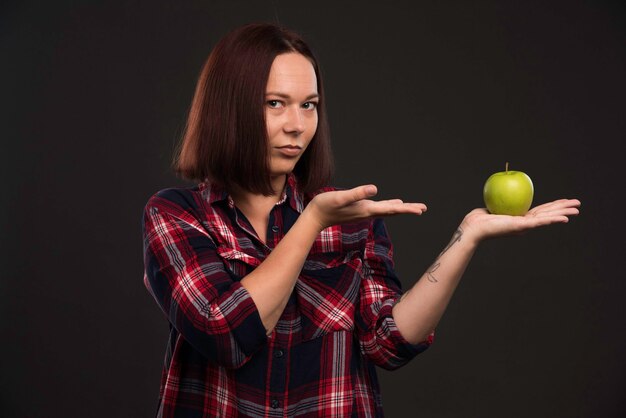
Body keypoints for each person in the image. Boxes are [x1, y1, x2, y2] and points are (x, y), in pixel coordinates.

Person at [141, 23, 580, 417]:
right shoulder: (177, 214)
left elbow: (388, 342)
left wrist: (466, 239)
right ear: (228, 108)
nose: (297, 125)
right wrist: (311, 222)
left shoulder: (351, 220)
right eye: (275, 103)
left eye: (309, 105)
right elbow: (226, 333)